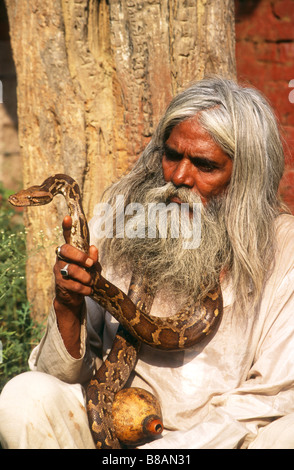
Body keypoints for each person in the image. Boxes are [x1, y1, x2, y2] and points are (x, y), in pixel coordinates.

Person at [1, 77, 294, 449]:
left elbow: (270, 400)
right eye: (172, 156)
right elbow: (61, 374)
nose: (178, 178)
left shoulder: (285, 250)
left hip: (227, 441)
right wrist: (68, 304)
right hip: (114, 431)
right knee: (25, 397)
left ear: (246, 177)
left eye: (205, 165)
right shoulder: (123, 224)